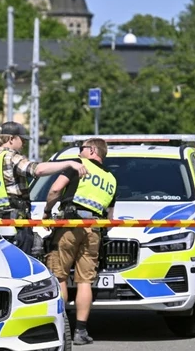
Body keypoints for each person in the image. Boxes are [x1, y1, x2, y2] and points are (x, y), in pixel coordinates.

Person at [0, 122, 87, 256]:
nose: (24, 143)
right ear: (11, 139)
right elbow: (37, 170)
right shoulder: (10, 157)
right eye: (22, 139)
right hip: (16, 227)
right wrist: (69, 163)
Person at [42, 137, 117, 345]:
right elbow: (110, 216)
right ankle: (81, 332)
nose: (79, 153)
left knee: (60, 275)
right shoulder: (111, 178)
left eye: (81, 149)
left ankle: (62, 326)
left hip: (70, 226)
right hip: (94, 230)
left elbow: (56, 189)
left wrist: (47, 211)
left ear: (92, 150)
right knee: (85, 281)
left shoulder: (77, 166)